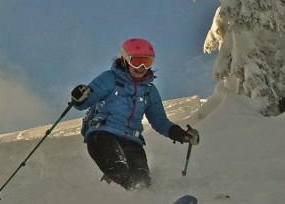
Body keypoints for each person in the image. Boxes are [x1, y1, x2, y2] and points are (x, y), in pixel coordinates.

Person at [70, 38, 200, 190]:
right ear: (125, 60)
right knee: (119, 169)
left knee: (141, 180)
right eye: (137, 61)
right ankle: (105, 202)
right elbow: (84, 102)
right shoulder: (110, 78)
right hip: (103, 135)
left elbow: (160, 121)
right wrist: (79, 97)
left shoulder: (149, 91)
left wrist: (181, 134)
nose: (142, 67)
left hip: (132, 140)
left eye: (147, 62)